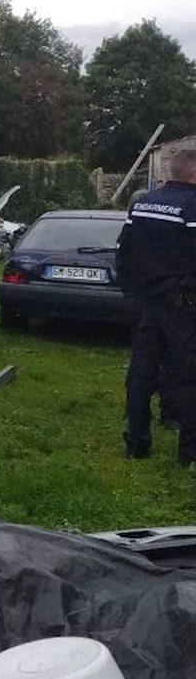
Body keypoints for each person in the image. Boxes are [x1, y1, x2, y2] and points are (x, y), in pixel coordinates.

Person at [117, 152, 196, 464]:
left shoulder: (143, 203)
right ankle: (189, 455)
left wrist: (131, 290)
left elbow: (124, 251)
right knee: (189, 376)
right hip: (182, 303)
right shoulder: (192, 207)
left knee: (142, 373)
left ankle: (136, 444)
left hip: (146, 302)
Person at [125, 187, 181, 433]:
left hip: (142, 299)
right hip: (159, 300)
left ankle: (137, 414)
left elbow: (122, 259)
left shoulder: (135, 228)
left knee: (142, 360)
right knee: (166, 359)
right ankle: (169, 413)